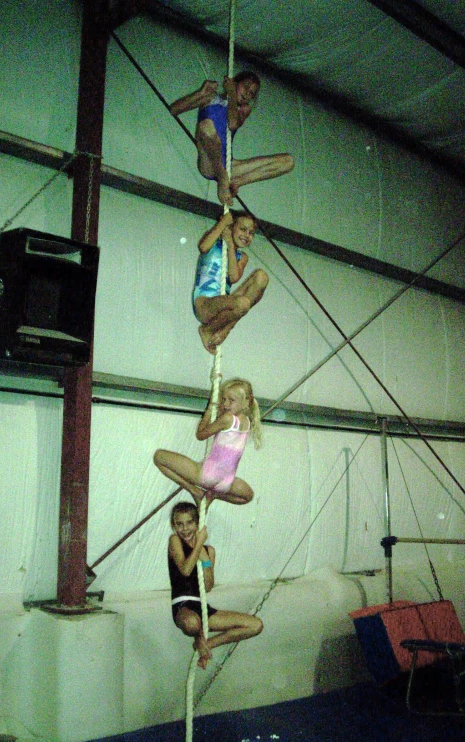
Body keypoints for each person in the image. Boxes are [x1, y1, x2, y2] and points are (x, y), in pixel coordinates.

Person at [169, 71, 294, 205]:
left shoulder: (243, 109)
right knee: (206, 127)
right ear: (235, 82)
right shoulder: (211, 98)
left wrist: (232, 95)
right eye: (245, 87)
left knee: (288, 161)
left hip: (229, 165)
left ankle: (237, 182)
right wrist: (200, 93)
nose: (247, 94)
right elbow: (173, 110)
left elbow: (232, 123)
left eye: (252, 93)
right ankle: (222, 176)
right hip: (210, 162)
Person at [168, 500, 263, 669]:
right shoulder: (175, 541)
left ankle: (207, 644)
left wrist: (205, 560)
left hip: (202, 607)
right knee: (192, 623)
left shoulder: (209, 550)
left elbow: (208, 586)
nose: (185, 529)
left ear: (197, 523)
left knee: (255, 625)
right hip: (183, 607)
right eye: (180, 524)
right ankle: (199, 639)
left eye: (189, 522)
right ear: (174, 526)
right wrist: (198, 544)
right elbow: (185, 570)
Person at [154, 378, 261, 509]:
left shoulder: (227, 419)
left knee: (159, 457)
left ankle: (194, 491)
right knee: (248, 496)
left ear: (246, 401)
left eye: (231, 400)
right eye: (224, 399)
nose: (226, 404)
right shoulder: (247, 422)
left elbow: (200, 435)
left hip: (207, 475)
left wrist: (209, 411)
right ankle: (214, 495)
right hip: (226, 483)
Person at [193, 209, 268, 354]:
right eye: (243, 229)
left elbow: (233, 277)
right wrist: (223, 223)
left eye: (251, 233)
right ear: (232, 227)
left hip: (224, 303)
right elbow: (203, 247)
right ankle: (206, 330)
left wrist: (231, 246)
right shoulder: (214, 242)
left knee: (261, 277)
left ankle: (226, 328)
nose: (247, 235)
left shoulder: (242, 257)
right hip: (204, 303)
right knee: (243, 303)